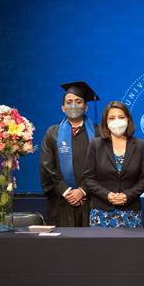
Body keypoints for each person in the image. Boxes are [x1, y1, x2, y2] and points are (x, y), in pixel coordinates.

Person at [39, 81, 100, 226]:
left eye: (78, 101)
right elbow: (46, 167)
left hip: (90, 201)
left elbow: (102, 165)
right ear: (63, 108)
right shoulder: (52, 133)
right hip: (61, 202)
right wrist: (66, 191)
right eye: (69, 102)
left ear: (86, 107)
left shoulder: (99, 132)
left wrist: (83, 190)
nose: (73, 105)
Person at [82, 101, 144, 228]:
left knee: (130, 248)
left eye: (121, 117)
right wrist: (107, 195)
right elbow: (89, 177)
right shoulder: (95, 145)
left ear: (128, 119)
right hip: (101, 212)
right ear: (106, 122)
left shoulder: (140, 145)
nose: (117, 121)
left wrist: (127, 196)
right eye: (112, 118)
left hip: (130, 213)